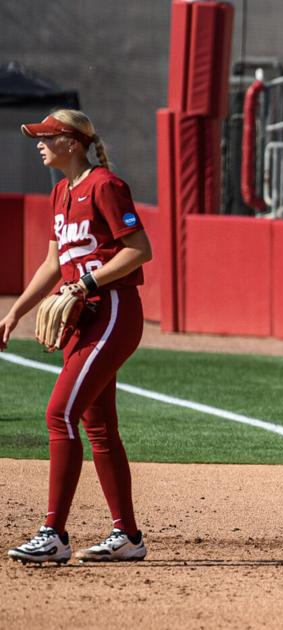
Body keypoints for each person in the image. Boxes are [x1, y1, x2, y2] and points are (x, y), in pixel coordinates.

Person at [4, 109, 154, 564]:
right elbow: (52, 265)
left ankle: (54, 534)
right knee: (98, 425)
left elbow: (139, 250)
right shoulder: (58, 193)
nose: (39, 144)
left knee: (58, 413)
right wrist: (14, 312)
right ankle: (127, 536)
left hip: (110, 310)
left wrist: (88, 284)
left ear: (71, 142)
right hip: (82, 318)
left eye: (46, 137)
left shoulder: (105, 185)